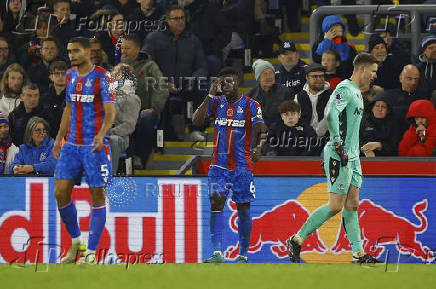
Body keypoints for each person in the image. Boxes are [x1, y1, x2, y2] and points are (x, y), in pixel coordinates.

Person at [286, 53, 382, 264]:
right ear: (362, 69)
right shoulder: (345, 89)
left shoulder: (357, 92)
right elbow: (330, 114)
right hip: (340, 153)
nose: (375, 75)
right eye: (373, 71)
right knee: (336, 205)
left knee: (353, 204)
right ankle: (296, 239)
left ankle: (358, 254)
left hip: (354, 156)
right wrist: (338, 144)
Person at [192, 67, 266, 263]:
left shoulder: (251, 105)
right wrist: (209, 94)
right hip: (218, 165)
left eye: (230, 82)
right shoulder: (216, 103)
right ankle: (217, 253)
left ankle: (243, 255)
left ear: (239, 82)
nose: (226, 86)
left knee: (243, 206)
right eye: (223, 82)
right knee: (216, 203)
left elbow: (261, 129)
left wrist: (259, 147)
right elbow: (196, 121)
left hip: (242, 167)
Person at [53, 37, 116, 264]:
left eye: (76, 51)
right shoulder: (69, 76)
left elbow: (110, 112)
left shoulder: (103, 77)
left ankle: (91, 252)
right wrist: (59, 137)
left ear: (89, 52)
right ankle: (77, 243)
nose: (72, 55)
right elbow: (68, 109)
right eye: (69, 51)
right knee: (60, 192)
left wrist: (101, 134)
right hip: (71, 145)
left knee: (97, 196)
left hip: (94, 146)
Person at [109, 63, 141, 174]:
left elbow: (129, 125)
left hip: (118, 136)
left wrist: (108, 132)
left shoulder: (131, 98)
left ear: (120, 75)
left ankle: (110, 177)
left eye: (114, 71)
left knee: (113, 140)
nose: (111, 74)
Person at [247, 59, 293, 129]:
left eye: (271, 73)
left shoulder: (286, 92)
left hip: (281, 132)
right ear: (258, 78)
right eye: (265, 74)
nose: (269, 77)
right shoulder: (250, 96)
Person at [295, 63, 332, 137]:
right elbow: (296, 119)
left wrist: (314, 136)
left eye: (321, 76)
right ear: (307, 78)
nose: (319, 79)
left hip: (327, 137)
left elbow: (328, 119)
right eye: (315, 76)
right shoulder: (299, 96)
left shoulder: (332, 95)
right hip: (304, 137)